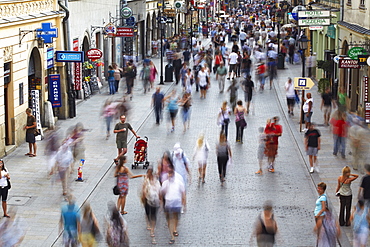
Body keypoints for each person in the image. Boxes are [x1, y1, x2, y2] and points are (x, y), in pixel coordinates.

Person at [160, 164, 186, 245]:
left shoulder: (178, 182)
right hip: (168, 203)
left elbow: (183, 192)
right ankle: (172, 236)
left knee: (176, 218)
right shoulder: (165, 183)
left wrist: (184, 203)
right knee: (169, 219)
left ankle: (174, 228)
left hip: (177, 202)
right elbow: (161, 193)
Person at [141, 167, 160, 244]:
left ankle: (152, 229)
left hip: (155, 200)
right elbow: (143, 189)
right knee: (148, 213)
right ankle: (148, 223)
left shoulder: (156, 181)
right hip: (147, 199)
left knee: (154, 215)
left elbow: (159, 189)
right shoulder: (145, 180)